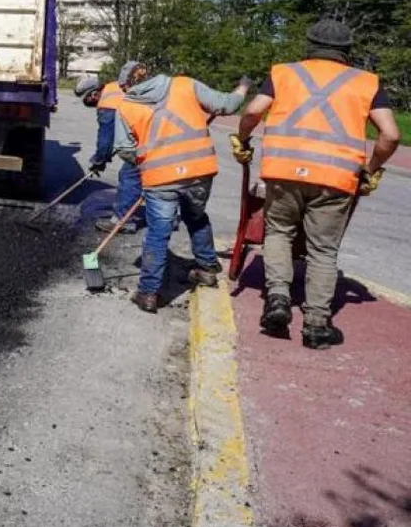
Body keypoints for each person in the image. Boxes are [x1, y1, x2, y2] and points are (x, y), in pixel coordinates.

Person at [231, 20, 401, 348]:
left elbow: (253, 112)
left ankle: (277, 300)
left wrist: (243, 139)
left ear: (309, 45)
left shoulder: (283, 73)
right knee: (323, 248)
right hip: (337, 177)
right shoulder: (367, 82)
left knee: (279, 233)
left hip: (282, 170)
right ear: (346, 51)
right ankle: (317, 323)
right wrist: (371, 168)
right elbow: (391, 134)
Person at [115, 63, 251, 313]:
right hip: (199, 170)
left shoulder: (124, 106)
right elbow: (228, 105)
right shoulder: (185, 84)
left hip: (160, 178)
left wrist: (148, 159)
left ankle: (148, 294)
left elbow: (125, 150)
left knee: (158, 233)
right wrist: (242, 88)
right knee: (196, 217)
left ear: (127, 85)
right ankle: (207, 268)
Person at [77, 60, 146, 234]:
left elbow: (106, 140)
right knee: (147, 179)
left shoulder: (107, 102)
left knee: (129, 176)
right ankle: (163, 217)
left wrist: (99, 160)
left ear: (93, 94)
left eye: (86, 98)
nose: (88, 102)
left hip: (144, 141)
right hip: (149, 135)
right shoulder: (115, 88)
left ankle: (122, 221)